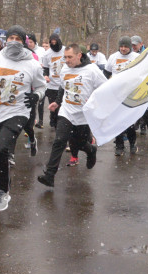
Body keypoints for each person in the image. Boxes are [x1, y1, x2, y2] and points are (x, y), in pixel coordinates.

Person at [0, 25, 45, 211]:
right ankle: (0, 185)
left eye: (18, 38)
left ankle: (2, 192)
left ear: (24, 42)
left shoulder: (32, 63)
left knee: (0, 150)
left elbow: (41, 87)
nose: (14, 41)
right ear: (6, 40)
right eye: (11, 38)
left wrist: (37, 96)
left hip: (17, 112)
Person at [38, 44, 104, 187]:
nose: (67, 60)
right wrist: (57, 101)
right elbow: (63, 85)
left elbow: (104, 88)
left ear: (79, 55)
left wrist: (94, 101)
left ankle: (91, 150)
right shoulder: (65, 68)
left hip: (83, 115)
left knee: (79, 144)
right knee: (59, 140)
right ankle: (49, 175)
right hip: (66, 111)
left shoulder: (92, 70)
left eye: (70, 57)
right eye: (65, 57)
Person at [106, 36, 139, 155]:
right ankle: (119, 146)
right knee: (117, 121)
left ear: (130, 47)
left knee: (129, 121)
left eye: (126, 46)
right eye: (121, 46)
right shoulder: (113, 57)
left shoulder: (136, 57)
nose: (123, 49)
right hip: (116, 93)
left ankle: (132, 144)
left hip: (131, 93)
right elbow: (107, 72)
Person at [39, 34, 65, 131]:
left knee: (62, 107)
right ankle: (54, 121)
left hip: (64, 84)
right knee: (54, 107)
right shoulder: (47, 54)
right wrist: (45, 75)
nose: (54, 44)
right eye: (52, 43)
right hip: (52, 85)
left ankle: (60, 127)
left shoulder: (66, 51)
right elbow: (45, 68)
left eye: (55, 42)